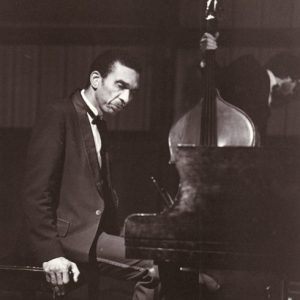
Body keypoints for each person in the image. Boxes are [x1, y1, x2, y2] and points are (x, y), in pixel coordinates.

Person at [22, 49, 158, 299]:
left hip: (94, 233)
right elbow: (35, 193)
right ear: (96, 80)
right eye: (120, 85)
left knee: (163, 257)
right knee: (154, 267)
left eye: (132, 91)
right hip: (68, 238)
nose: (126, 98)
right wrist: (51, 254)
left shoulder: (99, 122)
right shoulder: (59, 114)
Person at [199, 32, 300, 144]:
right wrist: (207, 54)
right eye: (295, 87)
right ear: (289, 77)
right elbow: (219, 79)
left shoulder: (265, 91)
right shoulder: (251, 67)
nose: (291, 93)